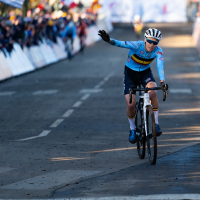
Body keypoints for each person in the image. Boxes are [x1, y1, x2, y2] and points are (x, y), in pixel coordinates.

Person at [98, 28, 168, 144]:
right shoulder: (137, 45)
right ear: (145, 39)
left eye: (155, 43)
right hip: (130, 74)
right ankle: (132, 129)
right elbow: (121, 44)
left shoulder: (158, 51)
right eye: (150, 41)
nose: (151, 45)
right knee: (131, 104)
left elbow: (160, 66)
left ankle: (156, 124)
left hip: (145, 73)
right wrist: (109, 40)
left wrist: (162, 81)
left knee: (153, 92)